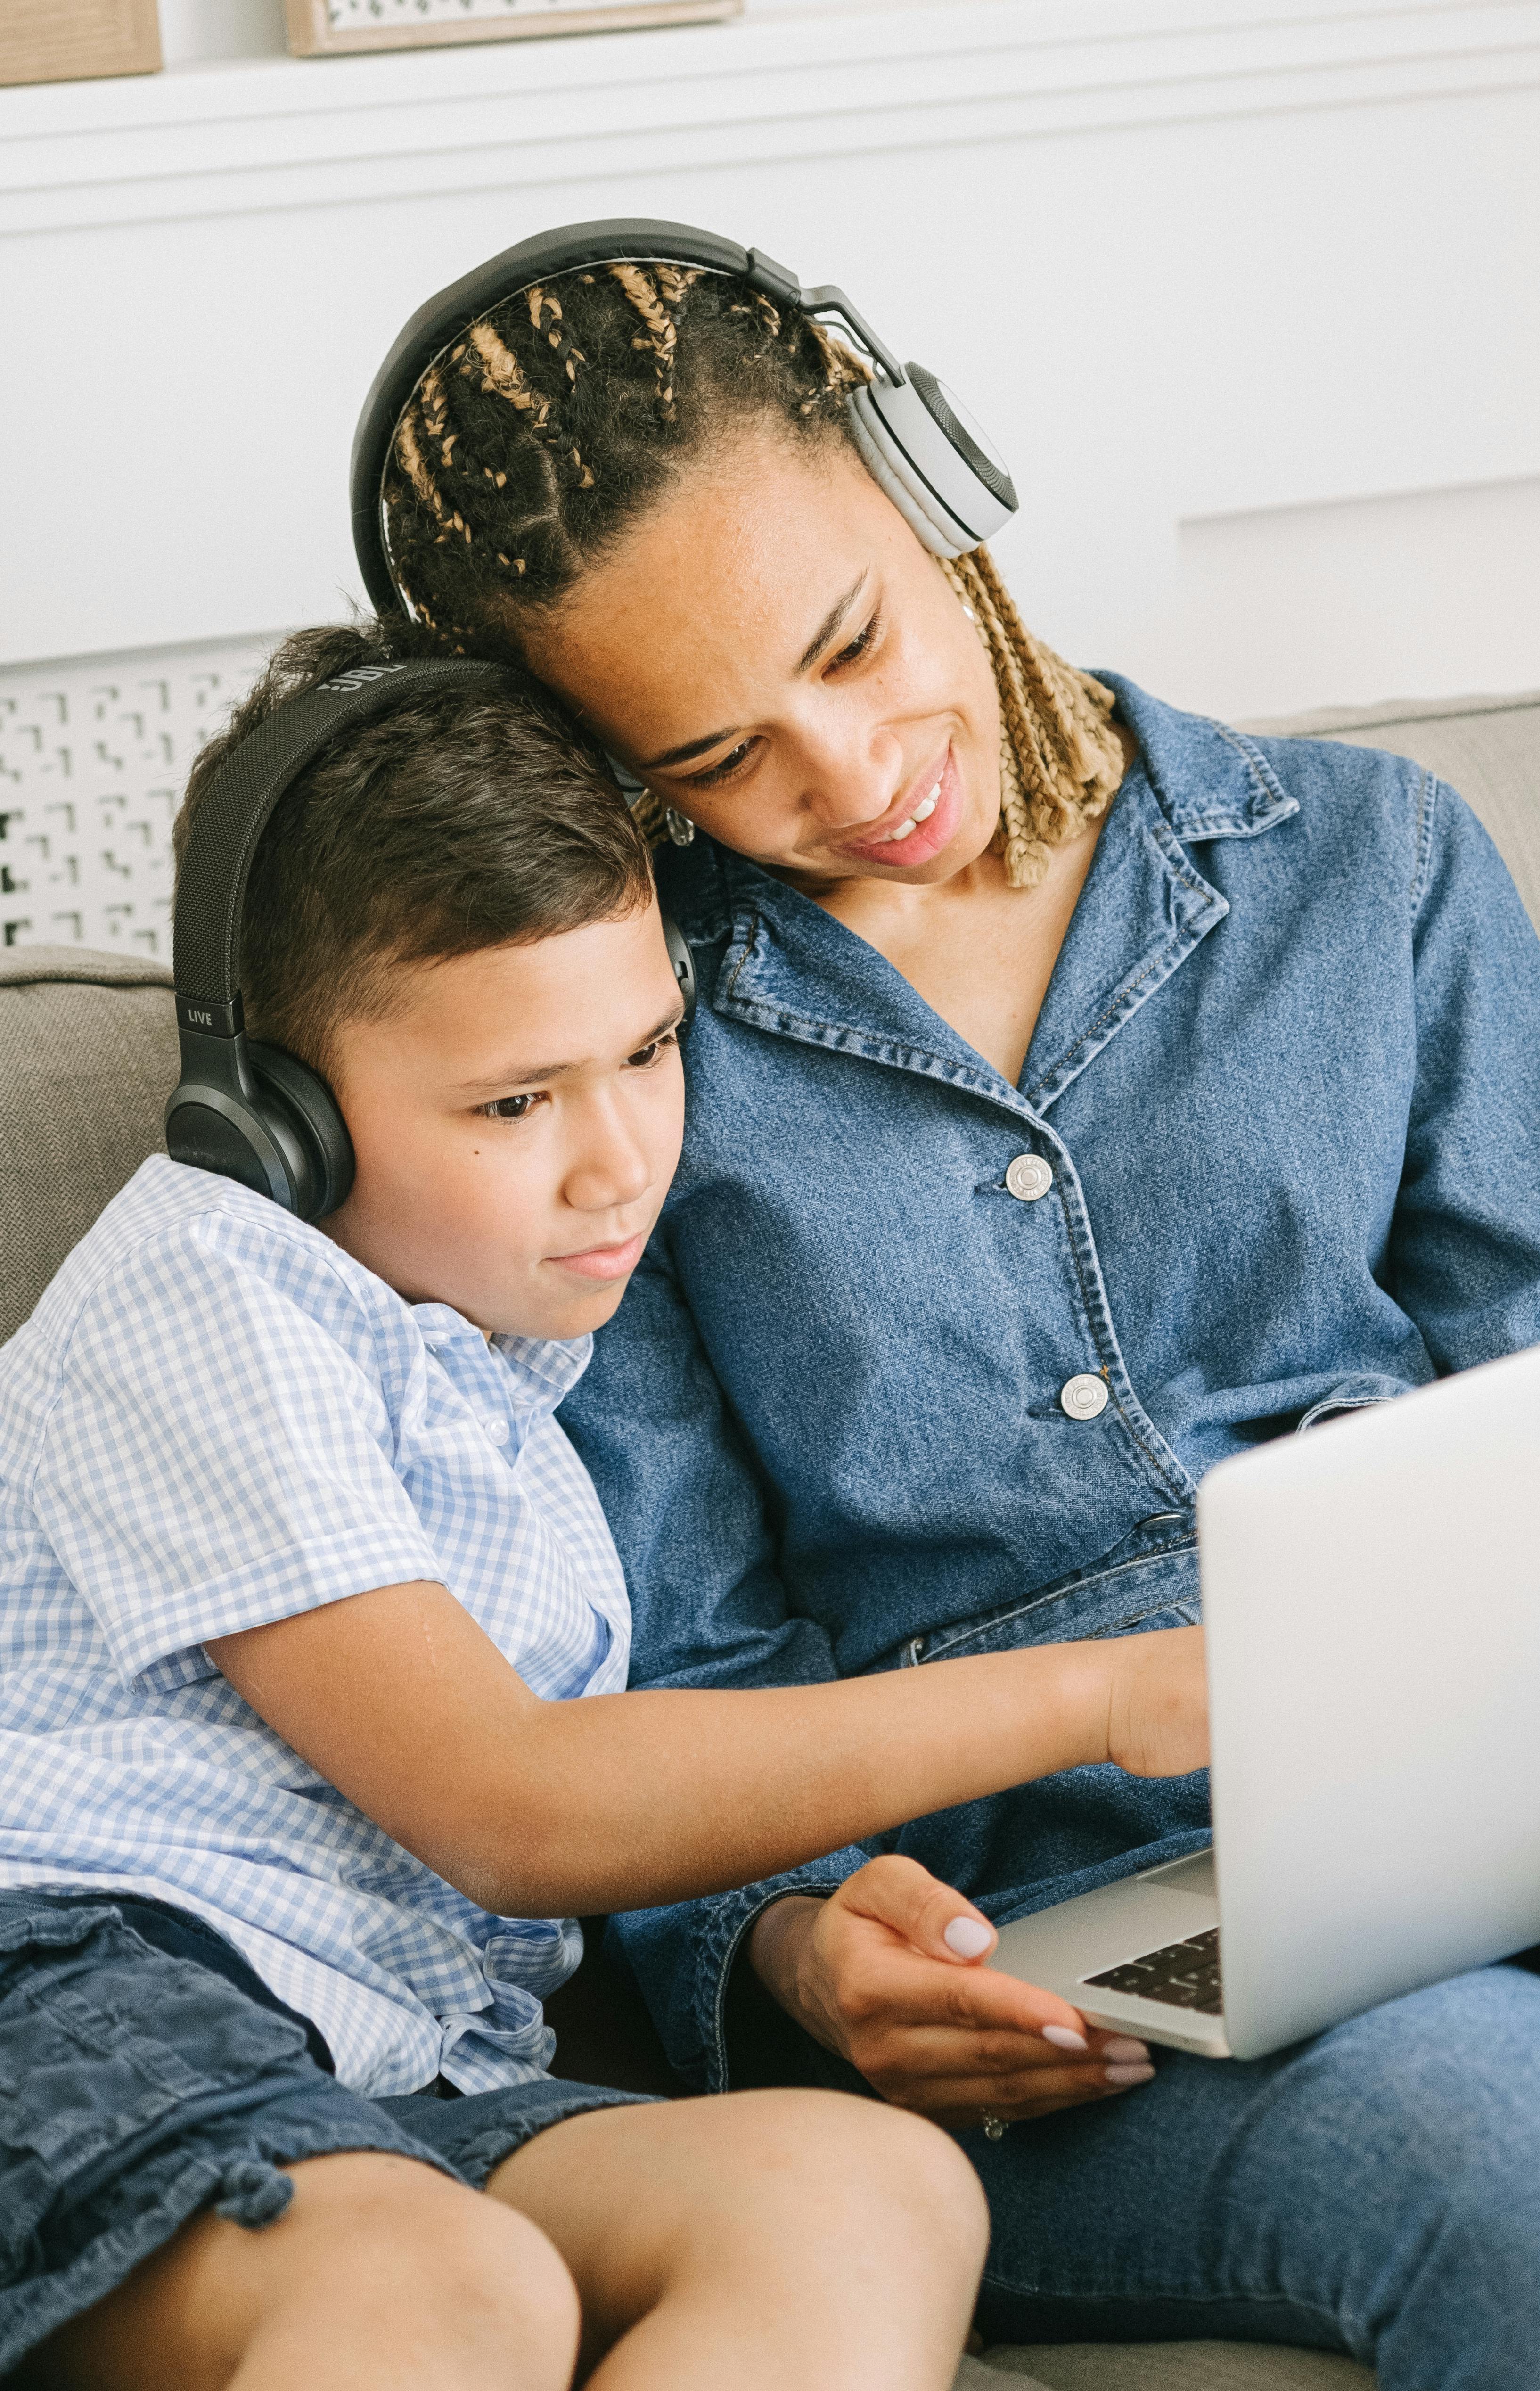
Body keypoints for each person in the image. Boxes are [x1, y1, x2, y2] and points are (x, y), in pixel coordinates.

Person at [368, 235, 1540, 2387]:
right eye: (716, 755)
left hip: (1501, 1818)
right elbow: (671, 1664)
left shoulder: (1372, 863)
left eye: (850, 641)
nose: (848, 776)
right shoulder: (621, 1088)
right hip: (1051, 1987)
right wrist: (799, 1953)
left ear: (928, 469)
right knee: (1508, 2130)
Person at [0, 625, 1209, 2391]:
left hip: (389, 2064)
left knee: (862, 2186)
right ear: (276, 1120)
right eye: (514, 1100)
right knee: (441, 2293)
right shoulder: (209, 1284)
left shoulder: (516, 1384)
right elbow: (512, 1807)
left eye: (647, 1050)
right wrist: (1101, 1693)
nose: (622, 1158)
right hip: (75, 1984)